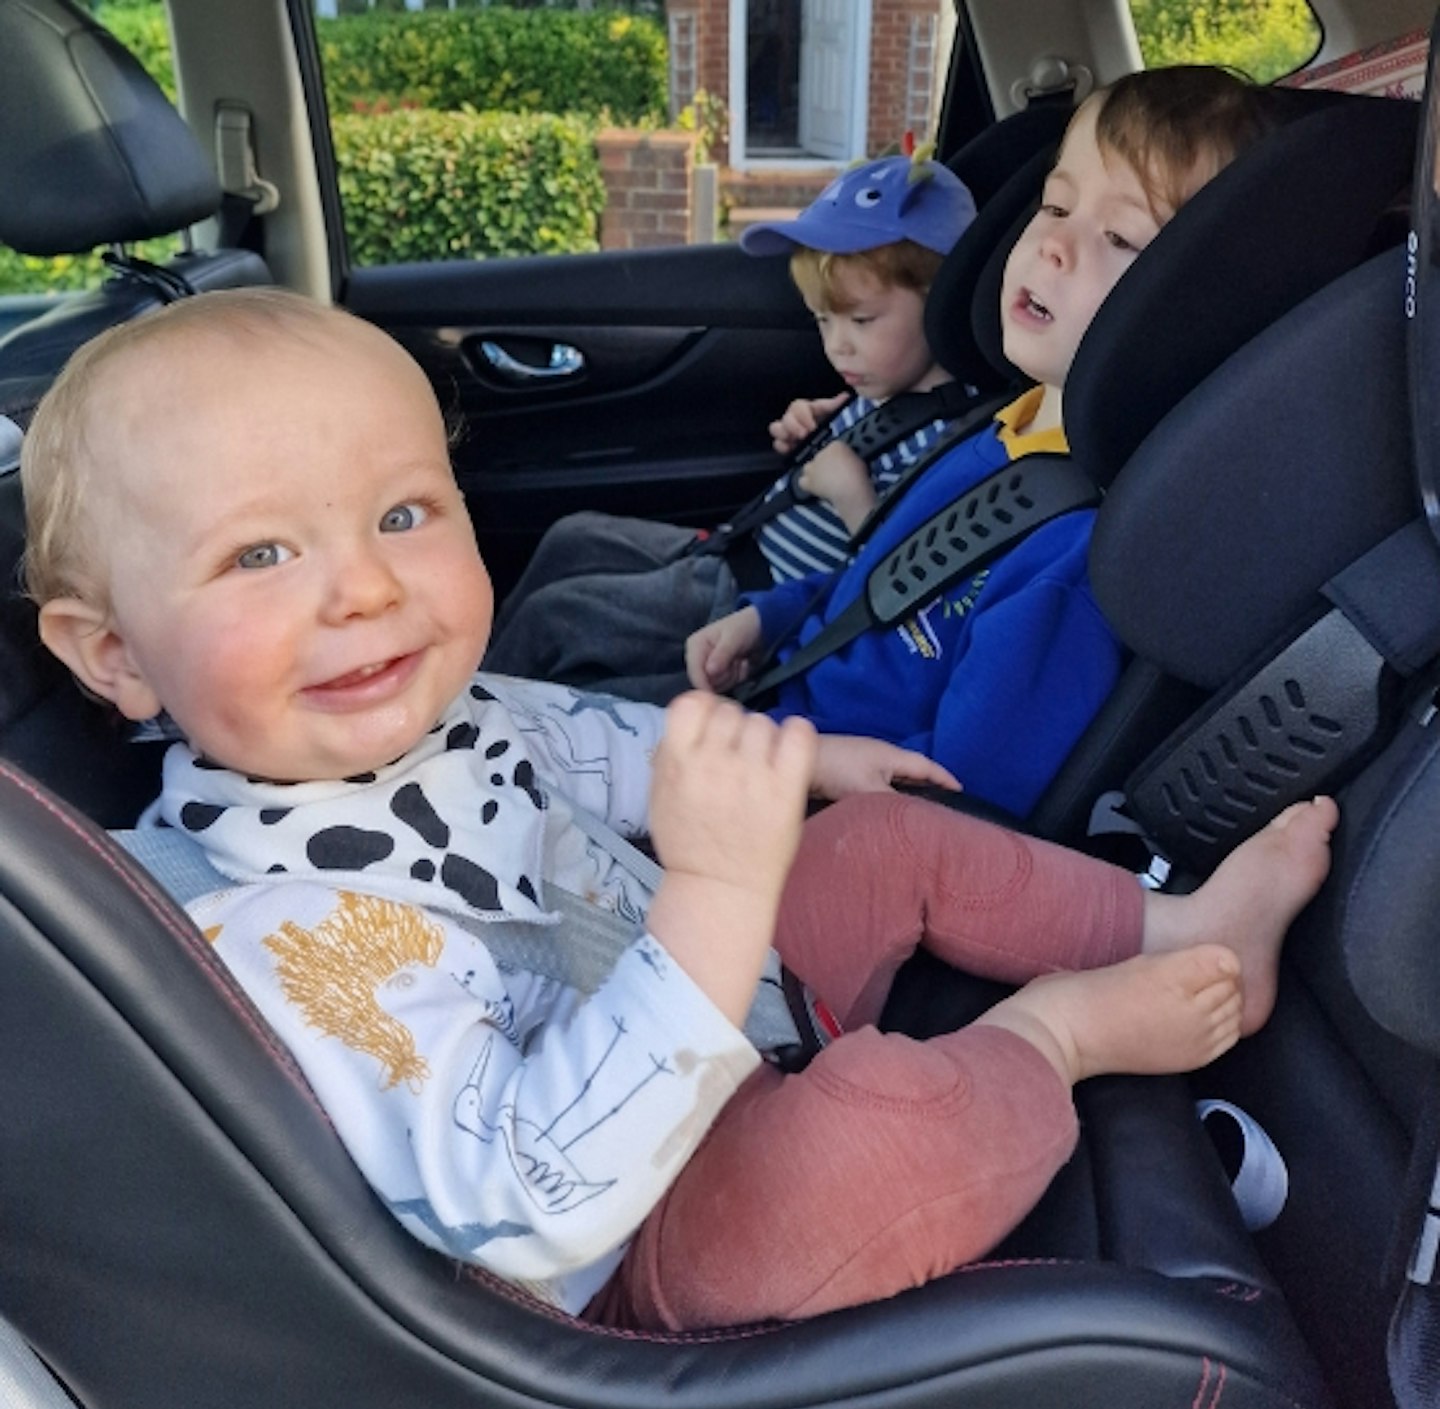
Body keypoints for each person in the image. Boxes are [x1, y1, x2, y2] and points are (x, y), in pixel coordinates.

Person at [24, 287, 1337, 1336]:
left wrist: (804, 761)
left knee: (879, 840)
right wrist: (712, 898)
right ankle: (1058, 1041)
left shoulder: (436, 710)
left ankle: (1176, 930)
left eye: (404, 512)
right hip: (634, 1237)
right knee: (884, 1134)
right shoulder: (288, 938)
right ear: (116, 658)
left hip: (711, 999)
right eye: (261, 553)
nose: (363, 586)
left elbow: (601, 744)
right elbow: (530, 1208)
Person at [686, 66, 1274, 820]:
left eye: (1120, 236)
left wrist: (794, 780)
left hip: (800, 822)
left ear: (1194, 305)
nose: (1053, 243)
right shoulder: (1007, 422)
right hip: (769, 724)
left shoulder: (1075, 553)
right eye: (1056, 204)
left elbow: (959, 809)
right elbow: (878, 584)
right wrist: (770, 618)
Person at [482, 152, 977, 703]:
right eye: (822, 320)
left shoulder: (956, 442)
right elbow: (849, 446)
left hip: (756, 599)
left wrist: (852, 494)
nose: (837, 345)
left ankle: (471, 733)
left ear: (943, 308)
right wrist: (817, 430)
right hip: (732, 549)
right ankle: (487, 682)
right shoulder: (883, 387)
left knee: (556, 619)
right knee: (573, 535)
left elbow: (910, 577)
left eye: (861, 320)